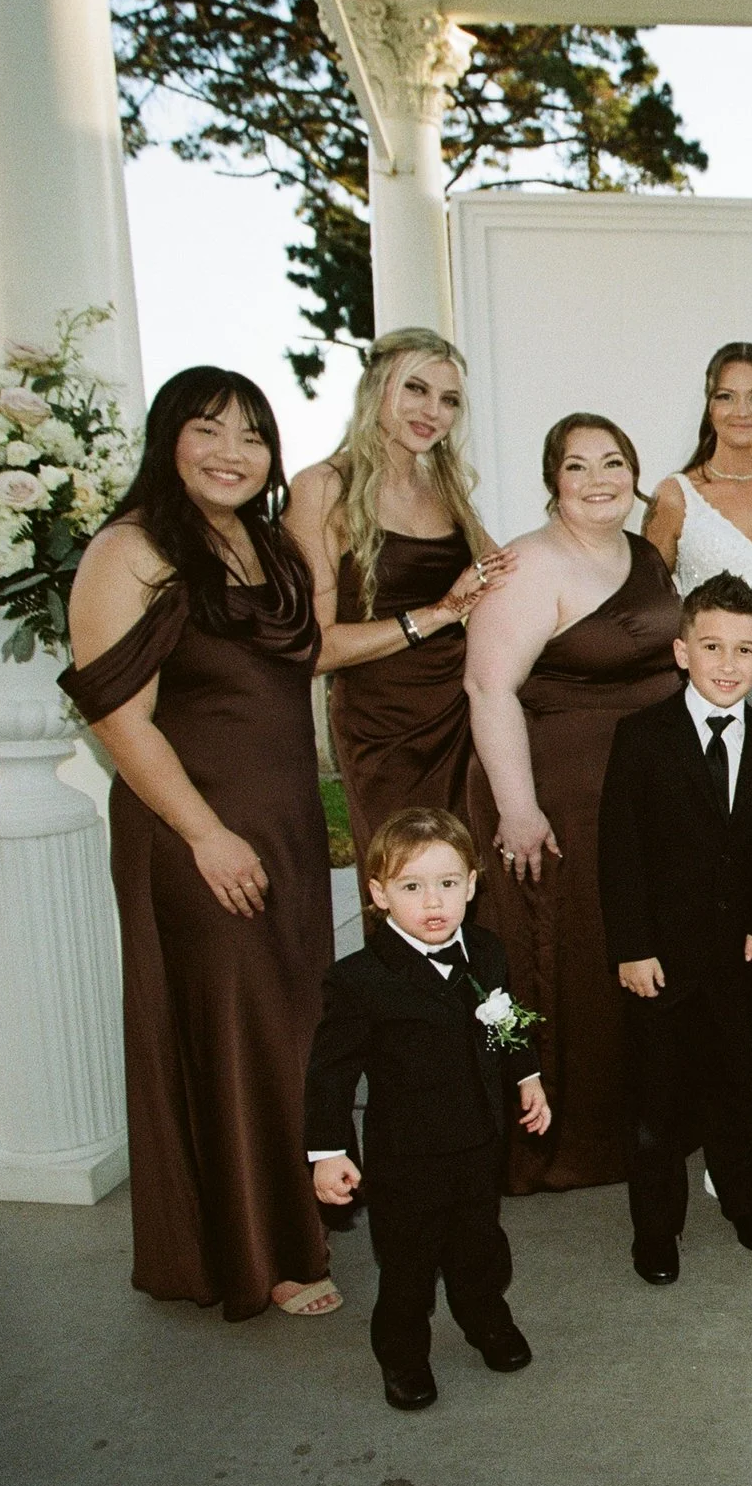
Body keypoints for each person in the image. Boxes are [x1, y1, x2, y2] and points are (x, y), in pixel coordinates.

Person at [62, 366, 339, 1322]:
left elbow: (306, 658)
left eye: (253, 436)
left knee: (290, 1026)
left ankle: (285, 1216)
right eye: (208, 429)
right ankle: (259, 1257)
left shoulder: (263, 544)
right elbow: (120, 718)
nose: (233, 453)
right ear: (167, 439)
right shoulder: (132, 549)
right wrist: (206, 833)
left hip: (286, 827)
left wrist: (440, 613)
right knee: (235, 1029)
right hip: (196, 832)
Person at [464, 414, 682, 1194]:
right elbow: (488, 688)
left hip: (634, 799)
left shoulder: (647, 554)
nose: (599, 480)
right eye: (578, 466)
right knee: (543, 959)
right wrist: (517, 808)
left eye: (614, 462)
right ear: (552, 480)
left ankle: (627, 1125)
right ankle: (546, 1139)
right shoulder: (526, 563)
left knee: (621, 953)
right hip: (556, 796)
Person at [306, 809, 550, 1411]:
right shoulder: (359, 979)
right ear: (379, 895)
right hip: (405, 1156)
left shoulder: (486, 951)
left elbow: (503, 1020)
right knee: (408, 1266)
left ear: (472, 883)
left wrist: (528, 1075)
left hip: (477, 1142)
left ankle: (485, 1318)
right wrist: (328, 1151)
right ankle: (403, 1354)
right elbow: (330, 1073)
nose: (432, 901)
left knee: (479, 1246)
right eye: (411, 887)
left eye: (447, 883)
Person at [599, 572, 752, 1284]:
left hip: (734, 955)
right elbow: (619, 849)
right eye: (712, 646)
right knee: (653, 1099)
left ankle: (745, 1201)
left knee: (731, 1086)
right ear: (682, 651)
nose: (727, 663)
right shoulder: (641, 735)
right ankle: (655, 1228)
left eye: (745, 649)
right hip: (659, 954)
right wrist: (631, 947)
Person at [287, 329, 508, 862]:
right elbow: (315, 649)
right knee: (408, 875)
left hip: (463, 715)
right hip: (383, 729)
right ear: (376, 388)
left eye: (449, 399)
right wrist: (436, 615)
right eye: (416, 389)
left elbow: (506, 580)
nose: (432, 410)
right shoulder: (321, 487)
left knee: (471, 882)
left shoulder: (448, 490)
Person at [645, 342, 752, 739]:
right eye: (727, 397)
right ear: (710, 407)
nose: (742, 412)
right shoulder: (675, 497)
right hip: (714, 688)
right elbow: (651, 604)